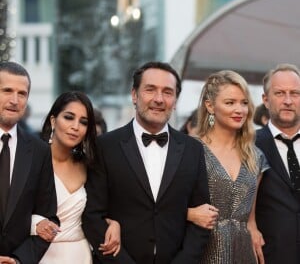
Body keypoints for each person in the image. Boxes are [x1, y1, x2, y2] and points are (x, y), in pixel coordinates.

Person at [82, 61, 211, 264]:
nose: (159, 99)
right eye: (150, 90)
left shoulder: (193, 150)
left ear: (175, 100)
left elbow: (203, 218)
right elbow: (92, 215)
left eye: (168, 92)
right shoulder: (105, 146)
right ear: (134, 95)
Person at [187, 70, 269, 264]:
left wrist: (254, 230)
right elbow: (164, 206)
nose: (239, 110)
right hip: (200, 250)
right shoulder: (191, 149)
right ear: (210, 106)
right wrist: (189, 214)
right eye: (230, 103)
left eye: (244, 103)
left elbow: (250, 219)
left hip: (243, 253)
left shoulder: (255, 156)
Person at [31, 91, 121, 263]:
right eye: (69, 117)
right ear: (53, 120)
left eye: (83, 122)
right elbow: (12, 211)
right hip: (39, 254)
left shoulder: (89, 166)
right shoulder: (32, 161)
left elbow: (96, 211)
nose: (75, 126)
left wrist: (114, 223)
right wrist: (36, 224)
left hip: (80, 254)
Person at [0, 61, 58, 264]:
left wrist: (18, 260)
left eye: (22, 93)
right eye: (7, 91)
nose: (14, 100)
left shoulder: (40, 150)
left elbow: (49, 217)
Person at [255, 63, 300, 264]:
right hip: (270, 257)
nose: (288, 101)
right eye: (280, 93)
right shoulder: (248, 144)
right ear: (265, 99)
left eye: (295, 93)